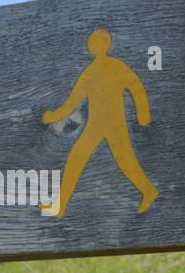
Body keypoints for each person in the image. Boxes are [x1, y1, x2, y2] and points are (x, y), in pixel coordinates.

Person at [40, 27, 159, 218]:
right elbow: (72, 102)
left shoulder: (117, 66)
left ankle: (148, 190)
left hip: (115, 124)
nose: (95, 45)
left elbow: (136, 87)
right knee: (75, 159)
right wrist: (52, 116)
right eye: (93, 42)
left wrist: (143, 116)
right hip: (95, 126)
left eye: (99, 41)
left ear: (107, 44)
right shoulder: (89, 72)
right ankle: (60, 206)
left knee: (125, 160)